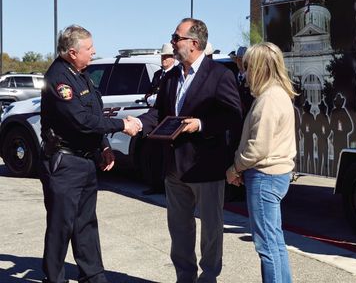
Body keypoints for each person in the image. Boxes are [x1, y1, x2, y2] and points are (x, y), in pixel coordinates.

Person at [132, 18, 243, 283]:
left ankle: (209, 277)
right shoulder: (170, 77)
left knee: (211, 231)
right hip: (175, 168)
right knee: (180, 230)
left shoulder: (220, 75)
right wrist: (136, 123)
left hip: (206, 167)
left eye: (176, 37)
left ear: (194, 43)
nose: (172, 42)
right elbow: (159, 114)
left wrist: (201, 124)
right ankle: (185, 277)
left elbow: (233, 116)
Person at [39, 25, 141, 283]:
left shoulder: (81, 74)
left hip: (84, 160)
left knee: (86, 224)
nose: (94, 51)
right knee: (61, 227)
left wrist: (104, 146)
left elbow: (94, 115)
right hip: (64, 163)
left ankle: (93, 276)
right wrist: (122, 126)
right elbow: (81, 120)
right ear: (73, 52)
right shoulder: (59, 79)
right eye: (89, 48)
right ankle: (54, 278)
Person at [226, 42, 297, 283]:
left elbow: (258, 147)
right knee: (275, 242)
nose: (245, 72)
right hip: (274, 175)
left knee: (266, 246)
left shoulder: (268, 99)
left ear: (259, 67)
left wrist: (235, 168)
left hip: (264, 177)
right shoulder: (278, 94)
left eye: (248, 66)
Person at [142, 43, 176, 195]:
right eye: (162, 56)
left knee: (165, 154)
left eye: (167, 57)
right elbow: (148, 94)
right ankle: (155, 184)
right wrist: (152, 98)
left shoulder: (175, 74)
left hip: (167, 119)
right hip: (154, 116)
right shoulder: (158, 75)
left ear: (173, 58)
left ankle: (166, 184)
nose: (164, 59)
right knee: (153, 153)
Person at [230, 46, 254, 115]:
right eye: (238, 59)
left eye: (243, 60)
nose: (240, 62)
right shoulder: (231, 76)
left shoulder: (253, 79)